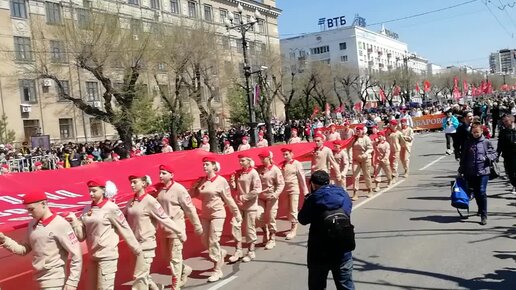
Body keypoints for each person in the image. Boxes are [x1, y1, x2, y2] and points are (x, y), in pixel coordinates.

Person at [67, 179, 141, 290]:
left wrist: (137, 250)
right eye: (89, 191)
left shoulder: (111, 208)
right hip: (93, 256)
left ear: (103, 191)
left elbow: (124, 228)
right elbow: (81, 236)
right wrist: (74, 222)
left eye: (94, 191)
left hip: (107, 256)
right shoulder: (87, 210)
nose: (91, 194)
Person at [0, 192, 82, 290]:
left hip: (55, 281)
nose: (29, 213)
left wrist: (73, 282)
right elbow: (23, 250)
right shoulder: (32, 224)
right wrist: (4, 240)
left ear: (43, 204)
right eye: (27, 210)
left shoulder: (60, 224)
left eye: (31, 209)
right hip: (38, 279)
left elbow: (76, 254)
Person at [125, 174, 185, 290]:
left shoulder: (151, 201)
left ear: (143, 183)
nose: (132, 185)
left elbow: (164, 218)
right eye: (131, 182)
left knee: (139, 278)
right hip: (134, 244)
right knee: (140, 274)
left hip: (146, 244)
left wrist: (179, 231)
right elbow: (123, 221)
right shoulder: (131, 202)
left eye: (135, 182)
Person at [298, 170, 355, 290]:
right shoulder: (343, 194)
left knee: (317, 286)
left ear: (313, 184)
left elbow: (302, 219)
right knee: (346, 286)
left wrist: (306, 201)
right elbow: (348, 210)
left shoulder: (313, 199)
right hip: (343, 251)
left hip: (319, 254)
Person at [190, 156, 241, 282]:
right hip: (205, 214)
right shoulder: (202, 181)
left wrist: (236, 213)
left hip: (218, 214)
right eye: (203, 165)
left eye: (207, 164)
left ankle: (217, 270)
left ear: (214, 166)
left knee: (213, 241)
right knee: (204, 240)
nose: (204, 167)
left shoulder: (221, 181)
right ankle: (220, 253)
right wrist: (194, 187)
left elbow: (228, 199)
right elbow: (192, 195)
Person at [156, 164, 203, 289]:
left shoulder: (179, 189)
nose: (161, 175)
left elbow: (189, 209)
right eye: (160, 173)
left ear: (171, 175)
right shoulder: (159, 190)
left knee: (175, 258)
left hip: (176, 229)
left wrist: (197, 225)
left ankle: (175, 284)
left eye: (164, 173)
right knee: (167, 257)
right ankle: (184, 269)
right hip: (163, 230)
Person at [458, 122, 497, 225]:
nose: (475, 134)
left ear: (481, 131)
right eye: (473, 132)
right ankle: (480, 208)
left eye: (477, 132)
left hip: (484, 171)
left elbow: (494, 154)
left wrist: (487, 157)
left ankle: (484, 215)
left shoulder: (486, 142)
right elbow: (464, 158)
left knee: (481, 191)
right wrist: (461, 170)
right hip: (470, 172)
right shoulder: (468, 143)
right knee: (476, 192)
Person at [229, 153, 262, 263]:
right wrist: (232, 182)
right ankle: (238, 250)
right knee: (235, 225)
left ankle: (251, 251)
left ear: (248, 161)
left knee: (249, 228)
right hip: (239, 205)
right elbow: (235, 188)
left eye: (243, 160)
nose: (240, 162)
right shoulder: (239, 173)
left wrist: (245, 197)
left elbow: (257, 189)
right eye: (240, 160)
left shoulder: (253, 173)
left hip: (250, 205)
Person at [257, 150, 285, 250]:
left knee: (271, 217)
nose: (261, 160)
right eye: (260, 158)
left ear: (269, 158)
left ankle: (272, 238)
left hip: (271, 197)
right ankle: (265, 232)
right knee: (258, 215)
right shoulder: (259, 169)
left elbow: (281, 184)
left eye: (263, 158)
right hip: (260, 197)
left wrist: (276, 193)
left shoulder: (275, 170)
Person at [280, 147, 309, 240]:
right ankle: (293, 223)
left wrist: (305, 190)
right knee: (287, 208)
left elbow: (301, 177)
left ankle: (293, 229)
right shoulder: (283, 165)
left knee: (293, 208)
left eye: (287, 154)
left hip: (293, 188)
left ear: (291, 154)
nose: (285, 156)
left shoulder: (296, 164)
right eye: (283, 154)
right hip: (285, 189)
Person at [351, 124, 373, 200]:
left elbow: (370, 148)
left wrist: (365, 154)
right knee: (355, 176)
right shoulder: (354, 139)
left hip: (365, 159)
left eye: (359, 130)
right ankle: (355, 192)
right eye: (357, 130)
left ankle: (370, 189)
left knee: (366, 175)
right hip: (356, 159)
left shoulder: (366, 138)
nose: (358, 131)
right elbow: (348, 146)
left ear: (363, 131)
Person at [497, 114, 516, 194]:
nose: (504, 123)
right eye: (503, 121)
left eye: (506, 121)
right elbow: (500, 144)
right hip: (507, 155)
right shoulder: (503, 132)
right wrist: (497, 155)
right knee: (510, 173)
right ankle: (514, 184)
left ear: (512, 120)